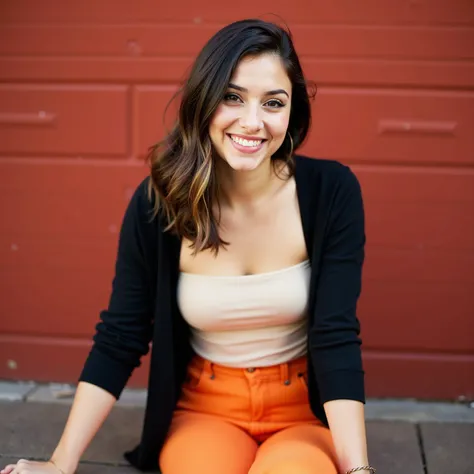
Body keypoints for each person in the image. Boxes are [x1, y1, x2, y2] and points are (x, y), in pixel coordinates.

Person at [2, 19, 375, 474]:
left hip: (301, 413)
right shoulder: (159, 202)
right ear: (203, 101)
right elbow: (121, 335)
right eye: (232, 97)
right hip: (205, 412)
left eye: (273, 103)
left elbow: (337, 335)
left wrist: (359, 470)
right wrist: (60, 464)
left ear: (292, 113)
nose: (252, 121)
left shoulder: (331, 191)